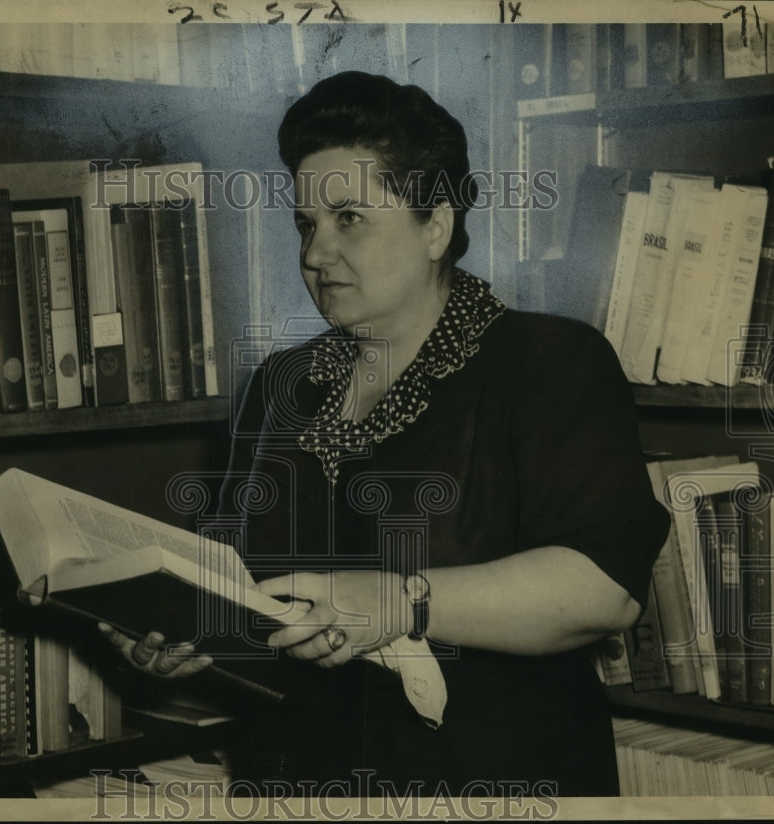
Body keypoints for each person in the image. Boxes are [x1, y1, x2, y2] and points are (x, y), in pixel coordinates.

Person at [102, 71, 670, 798]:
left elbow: (606, 587)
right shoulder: (283, 384)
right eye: (307, 223)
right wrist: (186, 640)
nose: (314, 253)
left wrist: (404, 601)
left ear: (435, 225)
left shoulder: (551, 361)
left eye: (350, 219)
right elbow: (256, 600)